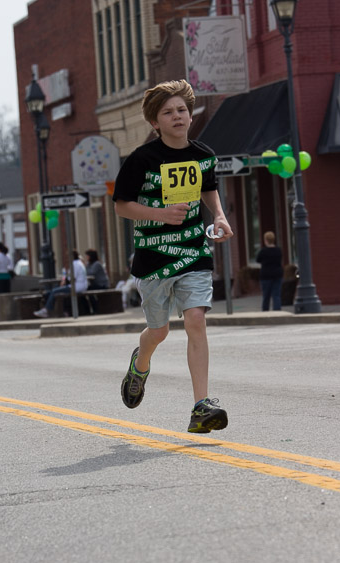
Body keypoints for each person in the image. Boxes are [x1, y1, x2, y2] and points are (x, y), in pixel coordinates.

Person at [113, 79, 233, 434]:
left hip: (194, 249)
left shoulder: (203, 155)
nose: (178, 116)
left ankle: (201, 406)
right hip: (154, 257)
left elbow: (209, 189)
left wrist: (220, 216)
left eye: (182, 109)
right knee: (159, 330)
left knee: (196, 319)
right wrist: (161, 215)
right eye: (168, 112)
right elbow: (121, 206)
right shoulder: (141, 160)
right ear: (155, 122)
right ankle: (140, 362)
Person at [34, 250, 88, 318]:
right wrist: (64, 280)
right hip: (79, 285)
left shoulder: (75, 264)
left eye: (68, 256)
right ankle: (50, 309)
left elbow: (71, 278)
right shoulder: (78, 263)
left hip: (77, 287)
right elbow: (65, 276)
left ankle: (46, 310)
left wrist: (65, 281)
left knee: (55, 291)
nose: (67, 258)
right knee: (53, 291)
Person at [256, 231, 283, 311]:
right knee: (276, 295)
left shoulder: (263, 251)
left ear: (266, 240)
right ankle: (277, 311)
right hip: (277, 274)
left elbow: (258, 260)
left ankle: (265, 311)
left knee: (266, 296)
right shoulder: (278, 250)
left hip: (266, 275)